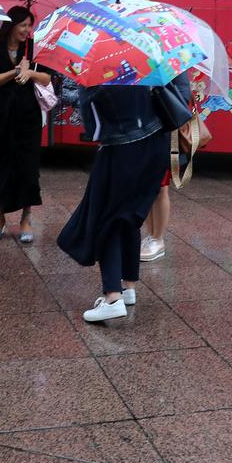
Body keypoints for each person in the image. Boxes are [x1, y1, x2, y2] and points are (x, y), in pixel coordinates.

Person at [58, 74, 191, 324]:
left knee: (107, 219)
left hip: (120, 149)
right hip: (156, 146)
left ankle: (112, 297)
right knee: (130, 216)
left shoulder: (99, 67)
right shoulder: (152, 57)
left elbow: (93, 126)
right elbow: (181, 96)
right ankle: (128, 286)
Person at [0, 6, 49, 243]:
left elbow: (47, 78)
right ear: (12, 25)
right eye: (23, 25)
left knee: (28, 169)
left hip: (28, 118)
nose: (27, 30)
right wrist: (15, 71)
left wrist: (30, 73)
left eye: (29, 26)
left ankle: (26, 219)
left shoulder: (34, 49)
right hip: (1, 117)